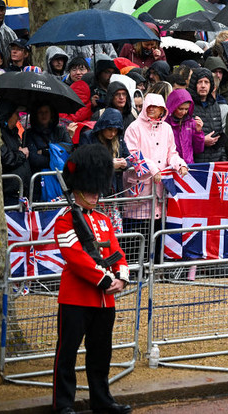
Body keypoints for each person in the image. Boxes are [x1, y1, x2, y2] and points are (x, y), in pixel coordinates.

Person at [52, 144, 132, 414]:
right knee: (67, 353)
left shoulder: (102, 219)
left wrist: (121, 275)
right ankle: (63, 403)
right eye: (90, 191)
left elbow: (116, 251)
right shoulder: (65, 220)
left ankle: (102, 400)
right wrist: (106, 280)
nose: (95, 196)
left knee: (100, 354)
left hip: (104, 301)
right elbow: (75, 257)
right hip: (77, 297)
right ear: (78, 190)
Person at [123, 93, 189, 227]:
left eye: (156, 106)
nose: (152, 109)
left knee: (158, 235)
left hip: (160, 193)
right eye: (149, 106)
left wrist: (180, 164)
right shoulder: (134, 127)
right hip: (140, 192)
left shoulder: (167, 128)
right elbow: (132, 153)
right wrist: (153, 169)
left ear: (162, 109)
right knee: (137, 237)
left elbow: (172, 153)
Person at [79, 108, 130, 195]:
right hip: (93, 187)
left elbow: (129, 158)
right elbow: (84, 162)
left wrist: (125, 163)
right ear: (103, 126)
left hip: (115, 187)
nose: (113, 133)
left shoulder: (119, 139)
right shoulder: (88, 137)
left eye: (115, 130)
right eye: (110, 129)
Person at [188, 67, 227, 163]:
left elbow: (220, 137)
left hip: (215, 162)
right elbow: (182, 138)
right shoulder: (187, 106)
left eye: (206, 82)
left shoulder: (215, 106)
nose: (203, 86)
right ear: (194, 84)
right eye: (199, 82)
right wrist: (202, 141)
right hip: (196, 163)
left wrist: (223, 160)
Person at [0, 100, 31, 206]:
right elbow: (6, 159)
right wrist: (22, 155)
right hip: (8, 193)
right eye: (16, 114)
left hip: (20, 192)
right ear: (8, 114)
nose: (18, 118)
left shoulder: (13, 133)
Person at [165, 88, 205, 164]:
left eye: (186, 109)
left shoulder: (191, 123)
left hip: (188, 167)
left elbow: (198, 149)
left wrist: (198, 132)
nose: (183, 112)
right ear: (173, 106)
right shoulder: (165, 124)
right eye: (180, 109)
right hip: (171, 167)